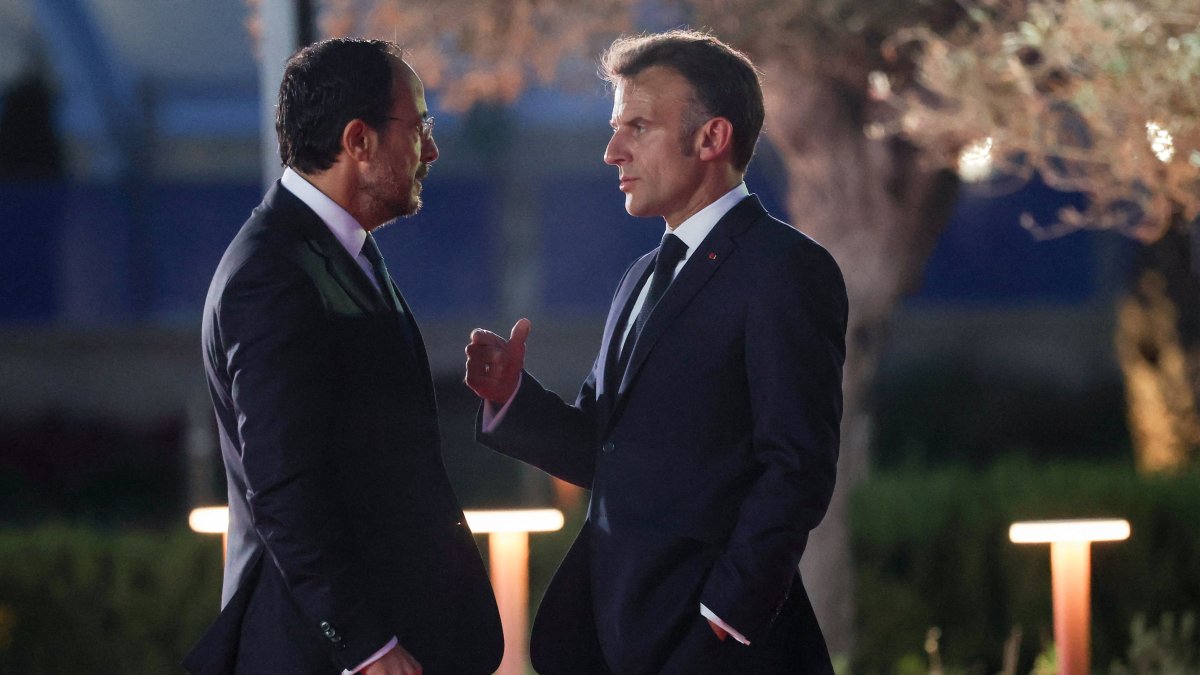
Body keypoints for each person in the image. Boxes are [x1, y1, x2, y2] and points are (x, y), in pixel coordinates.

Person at [465, 29, 848, 674]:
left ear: (712, 138)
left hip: (717, 646)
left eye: (637, 127)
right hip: (615, 637)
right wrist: (510, 399)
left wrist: (724, 618)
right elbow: (601, 451)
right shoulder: (643, 274)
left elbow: (798, 466)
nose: (613, 151)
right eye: (617, 127)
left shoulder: (786, 270)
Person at [185, 38, 502, 675]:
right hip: (327, 654)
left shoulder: (336, 251)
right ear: (358, 141)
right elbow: (284, 488)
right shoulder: (272, 273)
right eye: (418, 128)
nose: (431, 151)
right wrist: (366, 647)